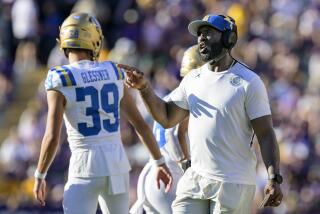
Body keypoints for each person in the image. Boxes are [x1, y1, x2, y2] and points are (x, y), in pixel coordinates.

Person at [119, 14, 283, 213]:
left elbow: (265, 134)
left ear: (228, 38)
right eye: (200, 34)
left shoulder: (249, 82)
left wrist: (273, 178)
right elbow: (167, 118)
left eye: (208, 33)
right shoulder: (193, 79)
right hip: (195, 178)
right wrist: (144, 88)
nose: (201, 38)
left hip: (233, 181)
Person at [33, 12, 172, 214]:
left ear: (63, 41)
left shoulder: (60, 77)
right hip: (116, 165)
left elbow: (52, 137)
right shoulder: (113, 71)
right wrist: (159, 161)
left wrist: (40, 174)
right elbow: (140, 124)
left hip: (84, 167)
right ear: (95, 40)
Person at [130, 45, 204, 214]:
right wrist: (186, 165)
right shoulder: (191, 97)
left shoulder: (173, 96)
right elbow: (172, 133)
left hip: (156, 174)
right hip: (171, 178)